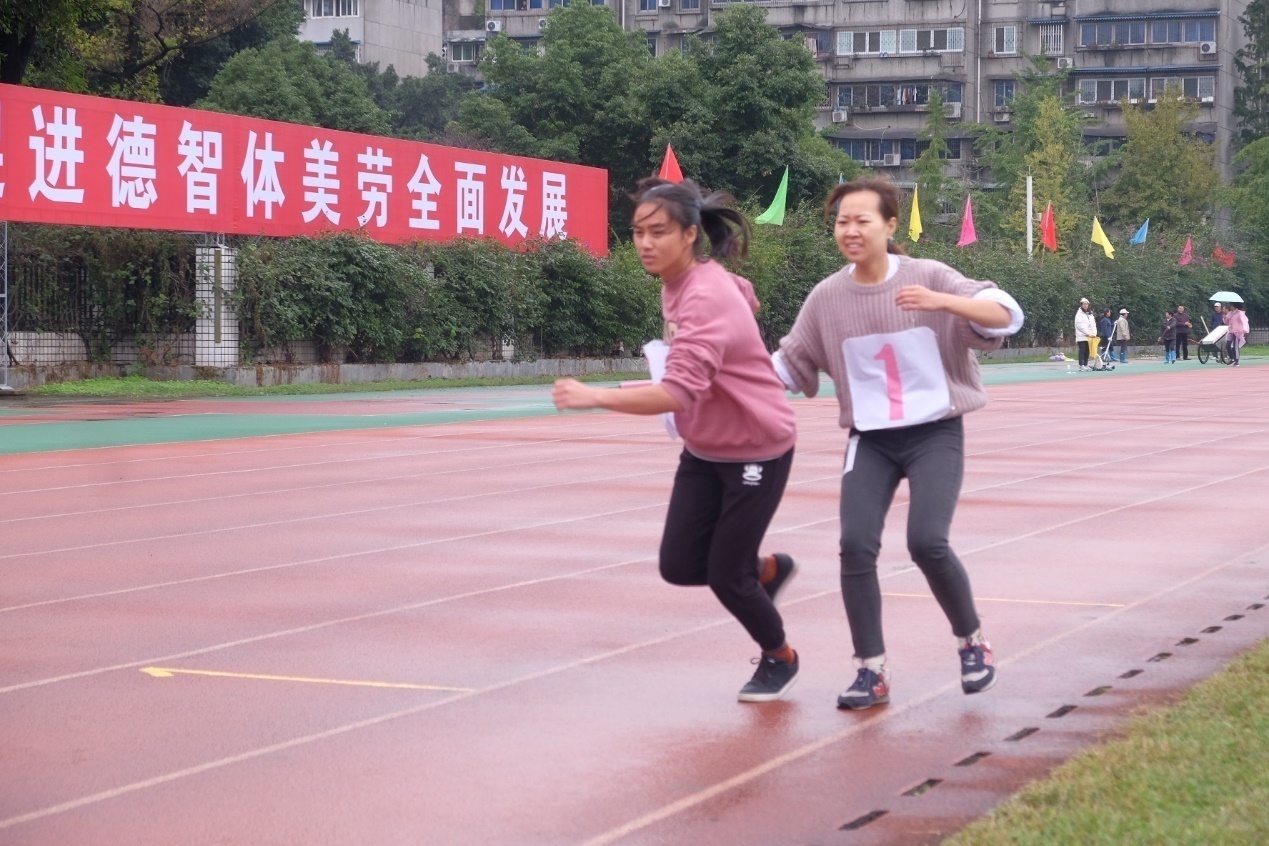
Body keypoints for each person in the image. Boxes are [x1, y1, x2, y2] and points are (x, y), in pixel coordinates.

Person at [772, 178, 1023, 710]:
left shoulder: (929, 275)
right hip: (872, 439)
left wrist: (943, 302)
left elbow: (1004, 315)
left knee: (927, 541)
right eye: (842, 221)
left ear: (889, 225)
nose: (851, 230)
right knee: (855, 544)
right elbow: (790, 364)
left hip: (934, 431)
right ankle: (871, 670)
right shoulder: (826, 297)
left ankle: (973, 643)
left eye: (862, 220)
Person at [553, 178, 802, 702]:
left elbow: (677, 393)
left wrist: (595, 396)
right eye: (638, 232)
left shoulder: (704, 296)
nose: (645, 243)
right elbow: (746, 294)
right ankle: (768, 570)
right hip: (706, 446)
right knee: (680, 564)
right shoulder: (686, 280)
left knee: (727, 576)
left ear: (690, 234)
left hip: (756, 446)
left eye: (658, 232)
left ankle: (779, 655)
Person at [1222, 302, 1249, 366]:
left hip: (1237, 331)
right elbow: (1226, 322)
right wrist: (1224, 318)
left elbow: (1244, 321)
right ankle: (1232, 358)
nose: (1230, 307)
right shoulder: (1230, 313)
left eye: (1231, 305)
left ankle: (1236, 360)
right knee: (1228, 345)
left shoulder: (1240, 313)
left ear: (1234, 306)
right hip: (1231, 331)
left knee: (1235, 346)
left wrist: (1244, 329)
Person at [1074, 298, 1097, 371]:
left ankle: (1086, 364)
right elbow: (1079, 325)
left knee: (1087, 350)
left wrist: (1094, 333)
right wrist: (1087, 333)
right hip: (1081, 335)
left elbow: (1093, 324)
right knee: (1082, 349)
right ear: (1081, 305)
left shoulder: (1090, 314)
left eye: (1086, 304)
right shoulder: (1079, 314)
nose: (1085, 305)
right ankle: (1081, 365)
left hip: (1089, 336)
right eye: (1084, 304)